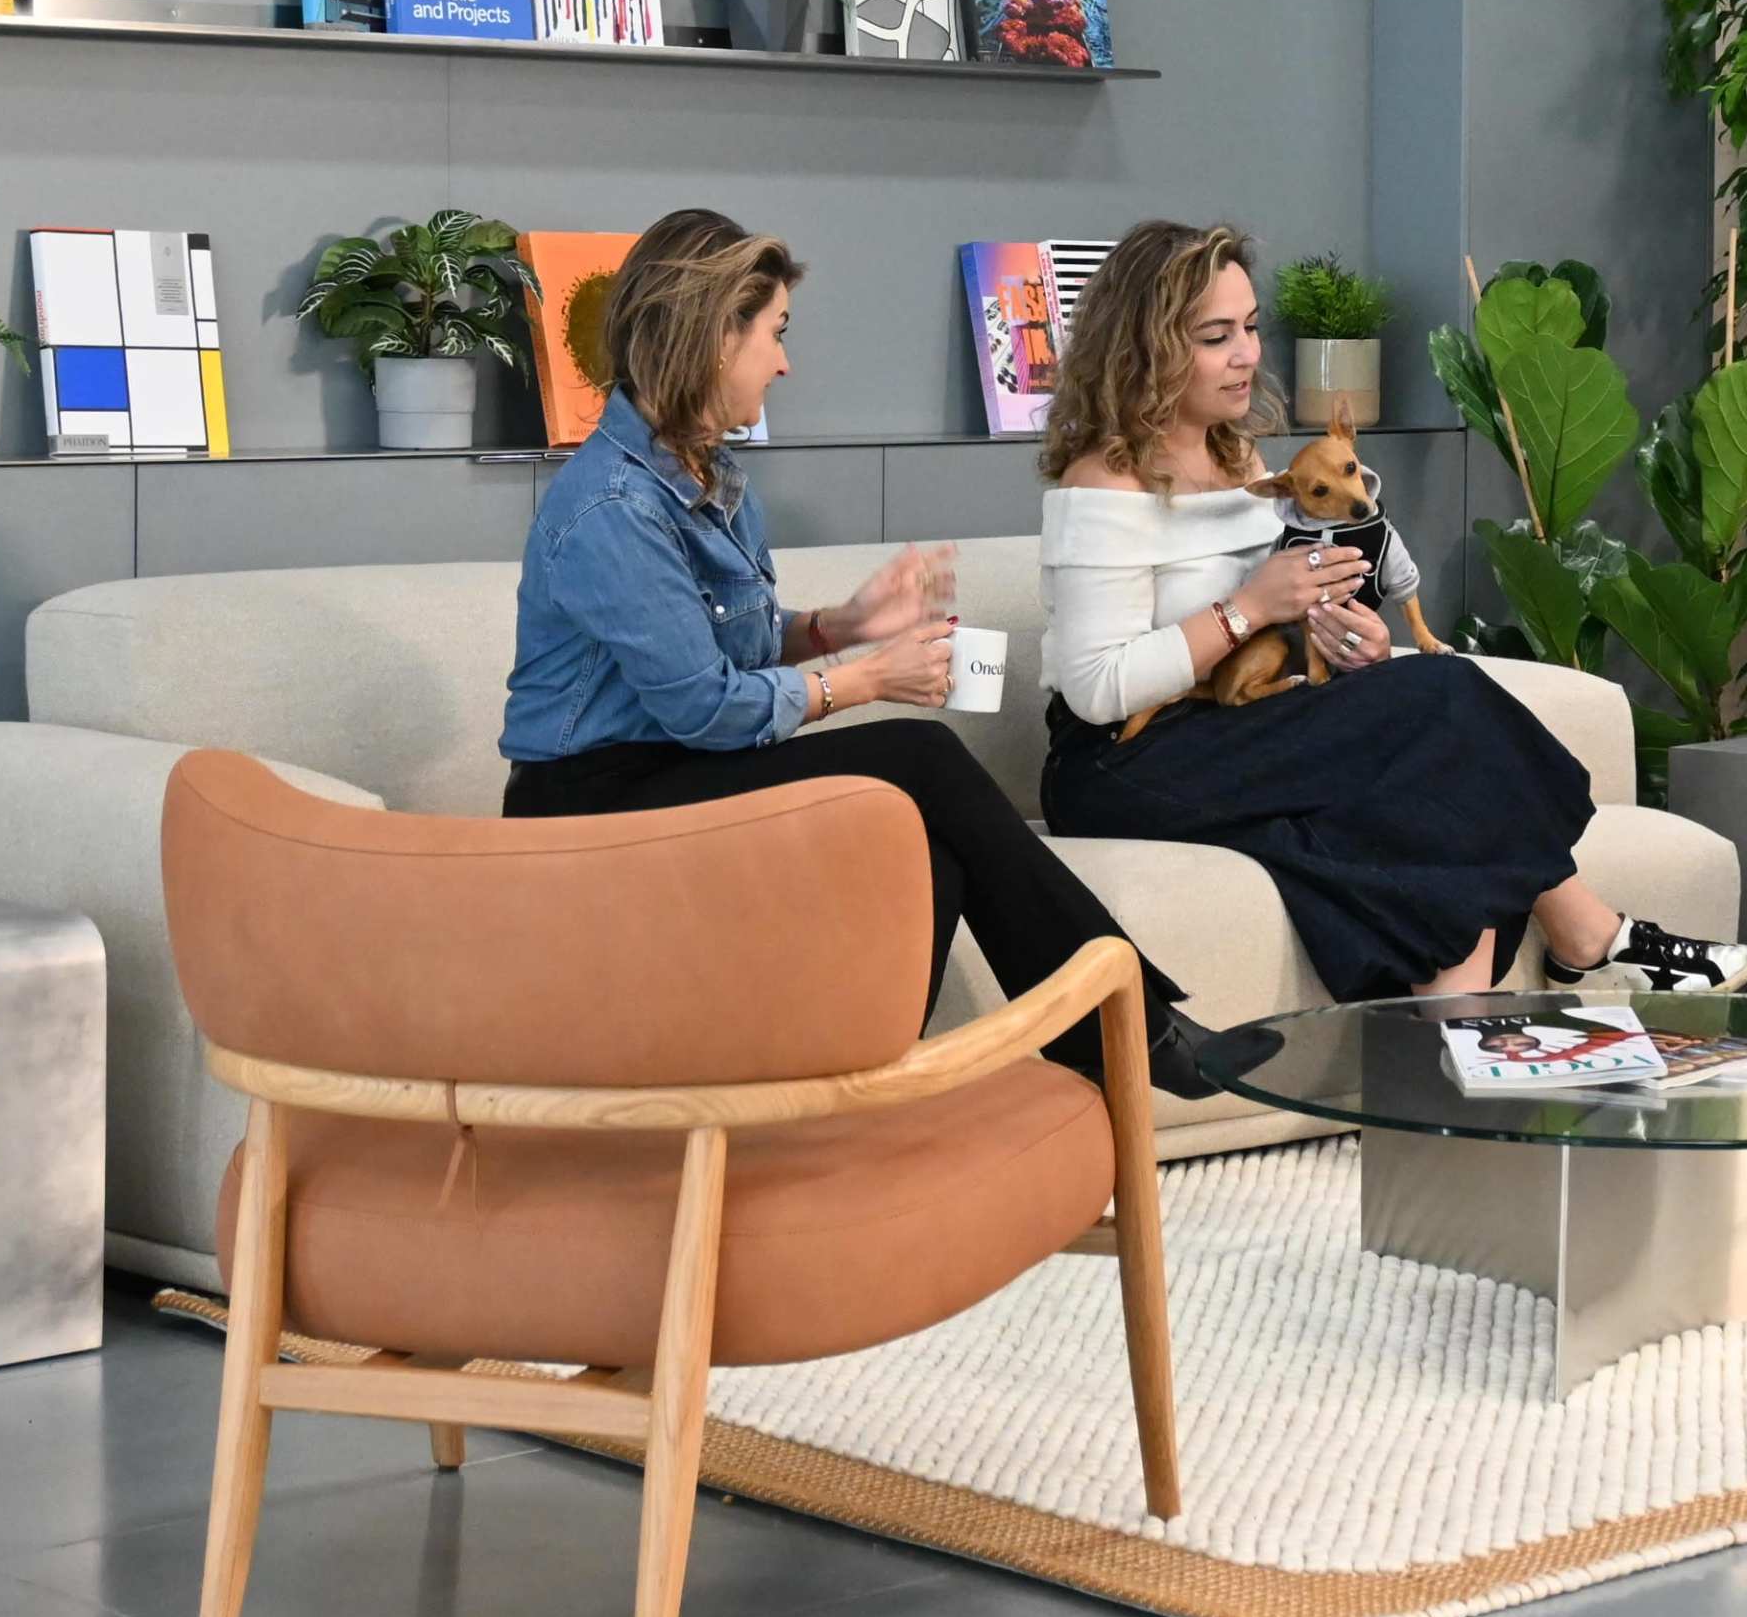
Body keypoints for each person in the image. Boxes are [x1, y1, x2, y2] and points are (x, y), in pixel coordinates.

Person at [500, 206, 1215, 1096]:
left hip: (669, 773)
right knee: (915, 753)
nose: (785, 361)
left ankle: (867, 1096)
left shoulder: (707, 475)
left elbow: (731, 643)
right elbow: (708, 707)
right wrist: (867, 678)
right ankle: (1125, 1025)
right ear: (713, 339)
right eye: (774, 334)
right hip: (590, 811)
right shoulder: (613, 508)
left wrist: (840, 626)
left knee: (928, 848)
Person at [1036, 219, 1747, 1001]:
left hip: (1235, 717)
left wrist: (1343, 637)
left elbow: (1277, 627)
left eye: (1249, 327)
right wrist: (1248, 607)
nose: (1247, 354)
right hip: (1126, 757)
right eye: (1216, 336)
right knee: (1443, 696)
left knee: (1427, 808)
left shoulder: (1235, 456)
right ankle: (1585, 932)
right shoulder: (1101, 483)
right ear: (1144, 348)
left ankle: (1463, 1049)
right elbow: (1096, 687)